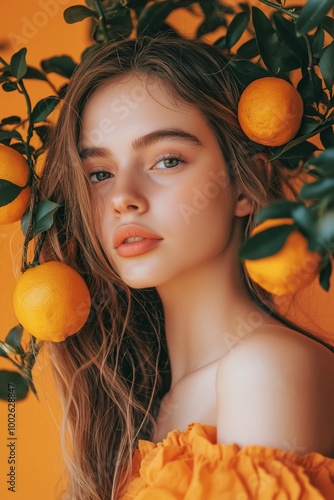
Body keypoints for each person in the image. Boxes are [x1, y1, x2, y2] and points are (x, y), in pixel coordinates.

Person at [39, 36, 334, 499]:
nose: (122, 198)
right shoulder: (148, 409)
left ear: (244, 185)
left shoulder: (263, 370)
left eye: (166, 160)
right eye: (100, 173)